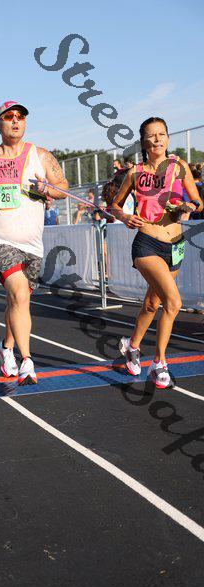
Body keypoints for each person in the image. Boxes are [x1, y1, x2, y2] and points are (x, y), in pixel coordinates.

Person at [0, 100, 68, 385]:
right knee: (19, 294)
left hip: (32, 244)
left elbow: (63, 188)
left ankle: (5, 348)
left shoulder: (40, 155)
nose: (16, 121)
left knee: (17, 300)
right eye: (9, 117)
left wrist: (48, 189)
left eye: (20, 116)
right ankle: (27, 360)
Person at [112, 117, 203, 388]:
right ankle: (159, 363)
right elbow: (115, 205)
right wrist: (125, 217)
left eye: (162, 134)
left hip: (175, 245)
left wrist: (188, 206)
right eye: (152, 135)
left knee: (153, 304)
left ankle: (132, 345)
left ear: (167, 138)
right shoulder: (135, 173)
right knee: (173, 302)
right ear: (143, 142)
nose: (157, 139)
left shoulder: (179, 166)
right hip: (147, 243)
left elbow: (198, 202)